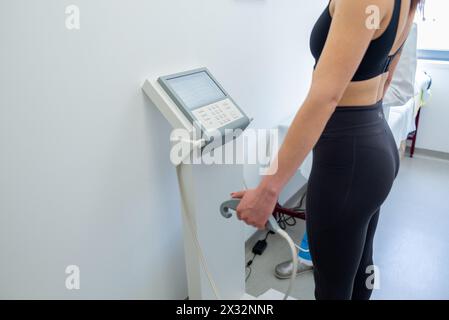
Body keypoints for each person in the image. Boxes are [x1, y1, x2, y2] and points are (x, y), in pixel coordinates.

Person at [231, 0, 422, 300]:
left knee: (332, 289)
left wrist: (267, 191)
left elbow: (325, 97)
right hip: (375, 139)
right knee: (360, 270)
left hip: (348, 157)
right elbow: (385, 79)